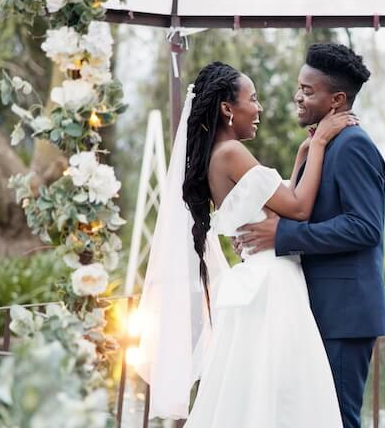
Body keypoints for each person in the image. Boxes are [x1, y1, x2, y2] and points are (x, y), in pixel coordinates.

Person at [135, 60, 356, 427]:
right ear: (227, 108)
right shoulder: (232, 153)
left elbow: (276, 200)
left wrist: (302, 155)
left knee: (258, 390)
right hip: (273, 283)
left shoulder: (215, 157)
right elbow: (299, 208)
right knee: (285, 391)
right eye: (252, 99)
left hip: (257, 278)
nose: (259, 109)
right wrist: (318, 142)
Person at [236, 43, 385, 428]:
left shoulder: (354, 145)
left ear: (337, 99)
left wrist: (282, 235)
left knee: (337, 419)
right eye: (299, 87)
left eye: (307, 90)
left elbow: (365, 227)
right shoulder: (323, 144)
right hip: (318, 309)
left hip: (344, 314)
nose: (297, 96)